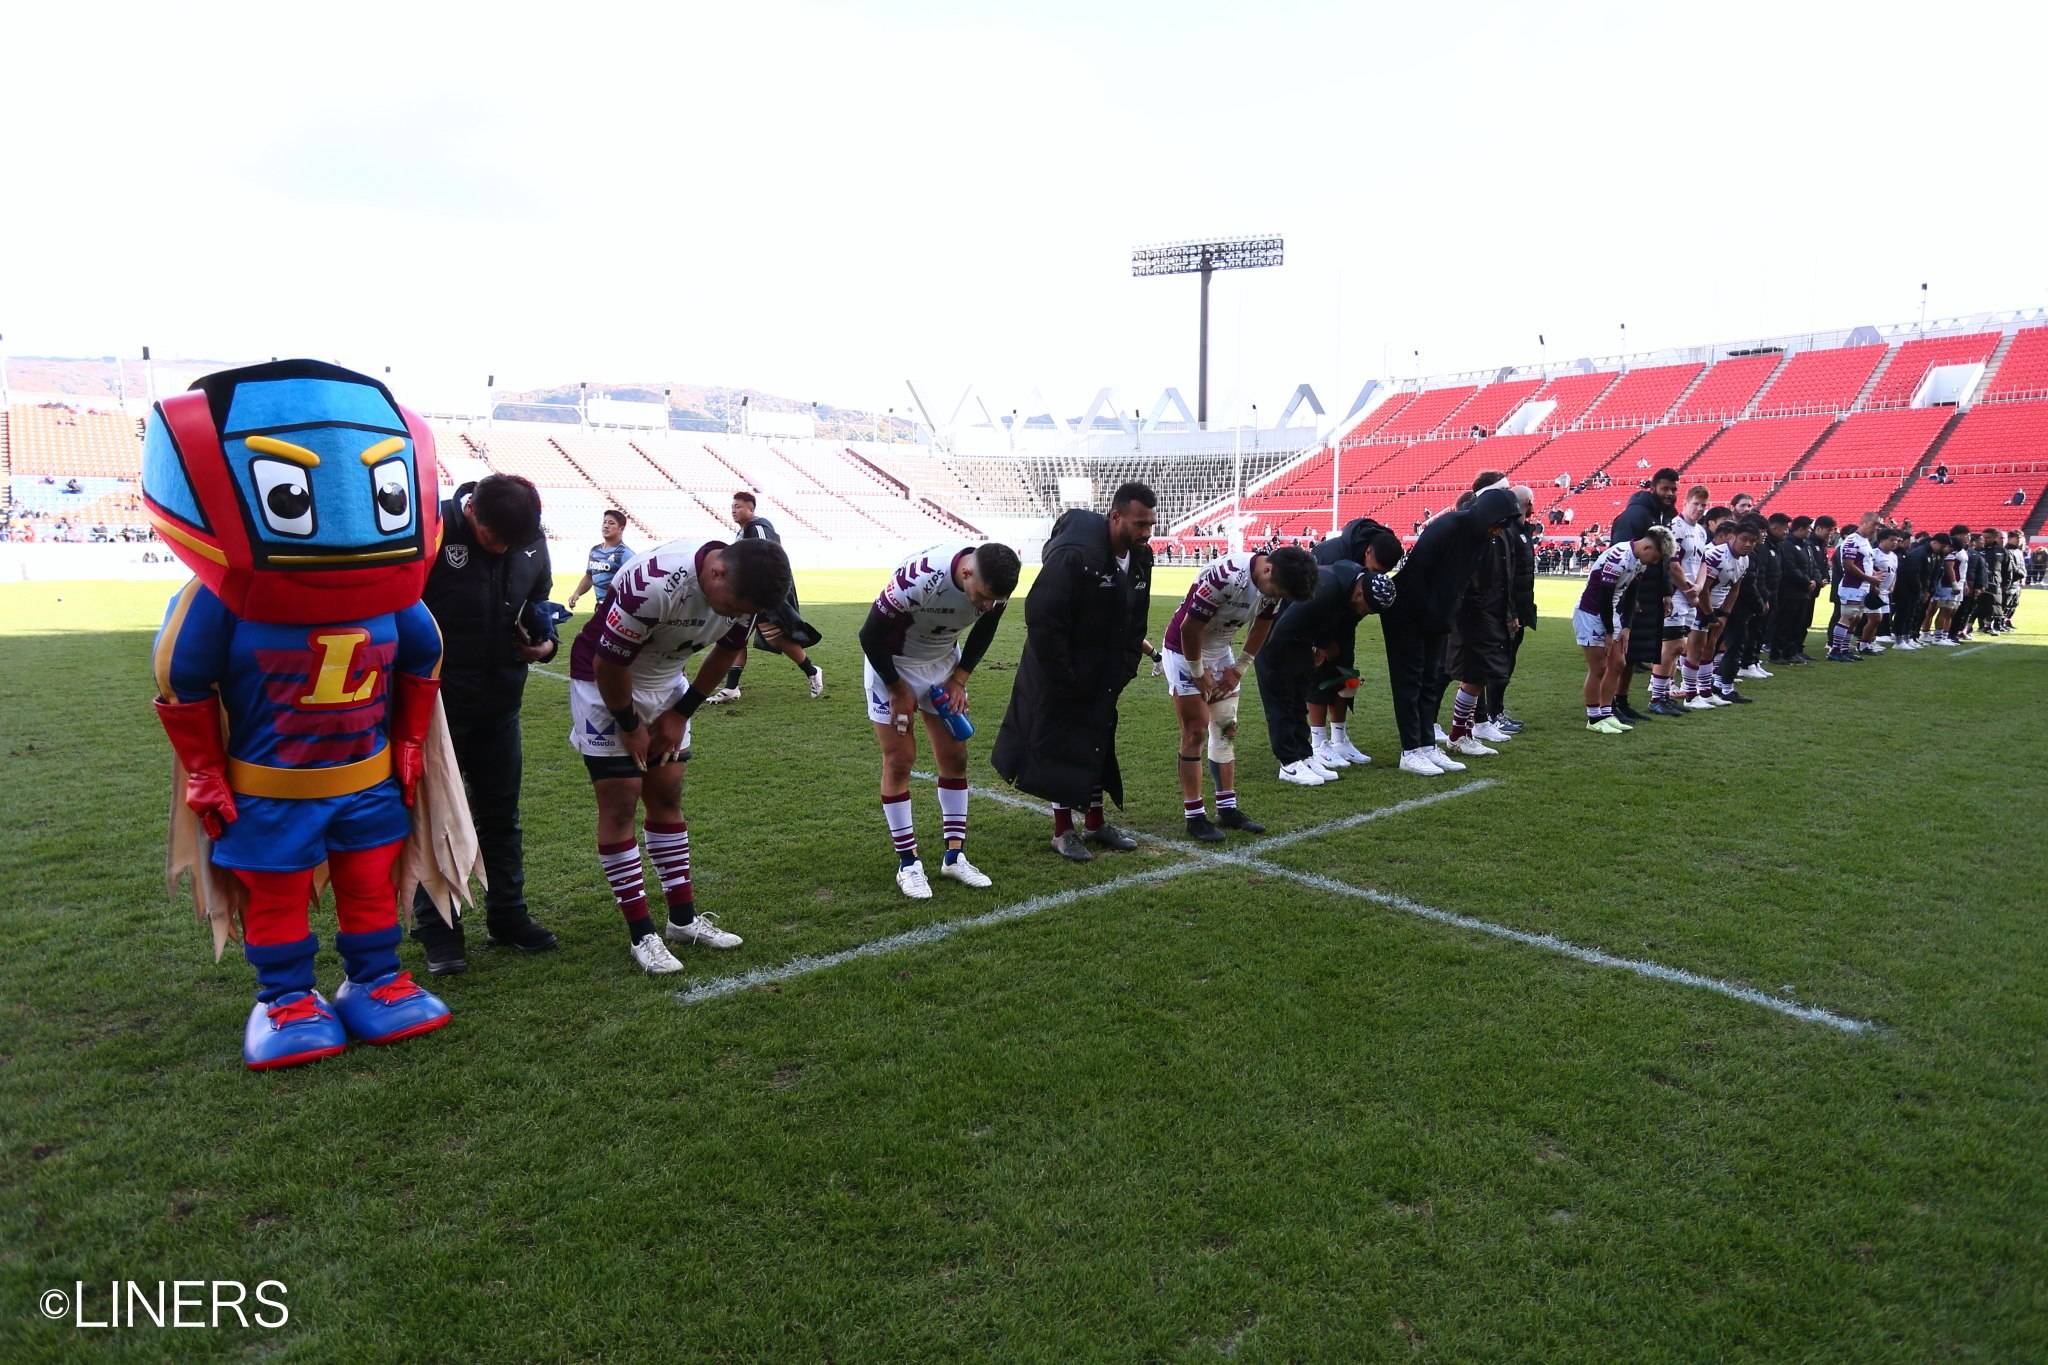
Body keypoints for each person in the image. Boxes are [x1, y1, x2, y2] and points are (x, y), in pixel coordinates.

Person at [144, 359, 474, 1068]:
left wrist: (410, 741)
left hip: (366, 778)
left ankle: (375, 979)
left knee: (371, 883)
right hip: (269, 787)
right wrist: (203, 770)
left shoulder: (390, 597)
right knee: (275, 894)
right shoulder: (219, 602)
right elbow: (181, 676)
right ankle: (286, 997)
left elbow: (424, 656)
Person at [567, 534, 794, 973]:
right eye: (733, 605)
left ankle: (683, 921)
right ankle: (641, 933)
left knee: (667, 793)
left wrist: (681, 712)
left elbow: (726, 653)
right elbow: (607, 664)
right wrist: (629, 725)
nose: (734, 615)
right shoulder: (654, 583)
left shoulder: (745, 593)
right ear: (716, 572)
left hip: (667, 680)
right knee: (620, 800)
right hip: (604, 684)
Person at [410, 473, 562, 974]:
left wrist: (546, 644)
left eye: (513, 543)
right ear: (471, 508)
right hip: (436, 709)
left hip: (501, 702)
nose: (502, 549)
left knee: (501, 815)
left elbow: (537, 605)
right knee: (436, 819)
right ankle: (440, 931)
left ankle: (508, 916)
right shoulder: (428, 529)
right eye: (494, 538)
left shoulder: (528, 539)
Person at [992, 483, 1156, 863]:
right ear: (1115, 517)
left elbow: (1137, 619)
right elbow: (1042, 617)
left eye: (1150, 523)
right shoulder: (1075, 556)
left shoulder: (1141, 558)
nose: (1146, 532)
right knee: (1061, 744)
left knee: (1098, 740)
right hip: (1062, 668)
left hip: (1105, 669)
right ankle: (1062, 830)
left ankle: (1095, 822)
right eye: (1139, 523)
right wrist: (1064, 676)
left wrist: (1125, 666)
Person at [859, 541, 1020, 896]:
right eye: (983, 597)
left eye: (994, 599)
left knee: (955, 757)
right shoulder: (919, 579)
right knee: (900, 760)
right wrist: (897, 689)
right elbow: (869, 636)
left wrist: (959, 679)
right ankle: (908, 864)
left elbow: (986, 628)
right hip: (893, 665)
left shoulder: (997, 582)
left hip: (942, 664)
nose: (987, 605)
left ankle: (954, 857)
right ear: (966, 572)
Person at [1163, 545, 1318, 833]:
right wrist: (1197, 672)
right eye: (1278, 591)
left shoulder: (1274, 583)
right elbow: (1189, 628)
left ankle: (1227, 809)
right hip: (1184, 651)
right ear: (1268, 569)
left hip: (1220, 650)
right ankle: (1194, 815)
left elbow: (1262, 625)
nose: (1276, 597)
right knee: (1196, 731)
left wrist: (1239, 668)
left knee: (1226, 729)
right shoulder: (1228, 577)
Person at [1379, 484, 1523, 775]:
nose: (1499, 531)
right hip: (1409, 612)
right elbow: (1420, 575)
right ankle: (1410, 751)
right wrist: (1434, 615)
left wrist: (1444, 617)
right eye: (1499, 523)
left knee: (1430, 680)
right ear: (1489, 515)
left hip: (1438, 615)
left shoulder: (1480, 538)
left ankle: (1427, 746)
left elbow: (1458, 583)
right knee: (1410, 683)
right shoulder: (1448, 527)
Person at [1256, 559, 1396, 785]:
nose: (1364, 613)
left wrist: (1320, 646)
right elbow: (1284, 629)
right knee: (1282, 701)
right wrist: (1282, 666)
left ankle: (1304, 755)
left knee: (1299, 700)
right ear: (1360, 593)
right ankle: (1289, 763)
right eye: (1367, 609)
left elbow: (1329, 619)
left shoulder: (1351, 583)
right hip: (1273, 637)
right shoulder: (1325, 590)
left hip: (1300, 639)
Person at [1311, 516, 1406, 769]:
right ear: (1367, 552)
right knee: (1318, 676)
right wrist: (1323, 641)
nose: (1375, 577)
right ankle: (1318, 742)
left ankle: (1339, 739)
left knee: (1346, 675)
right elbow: (1315, 602)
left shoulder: (1381, 549)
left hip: (1345, 620)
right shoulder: (1332, 555)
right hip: (1316, 620)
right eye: (1374, 570)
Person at [710, 491, 824, 702]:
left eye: (738, 506)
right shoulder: (744, 531)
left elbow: (768, 556)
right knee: (736, 636)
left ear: (751, 509)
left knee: (775, 637)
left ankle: (812, 671)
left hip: (762, 594)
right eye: (732, 506)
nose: (733, 510)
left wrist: (765, 594)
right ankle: (732, 687)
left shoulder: (758, 527)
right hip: (748, 595)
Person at [1443, 475, 1521, 756]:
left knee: (1478, 675)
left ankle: (1462, 731)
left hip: (1489, 610)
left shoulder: (1496, 532)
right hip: (1474, 613)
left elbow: (1504, 576)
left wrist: (1508, 610)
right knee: (1471, 674)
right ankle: (1456, 733)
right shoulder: (1471, 532)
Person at [1573, 526, 1674, 733]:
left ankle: (1606, 712)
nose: (1654, 563)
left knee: (1618, 663)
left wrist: (1626, 626)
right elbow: (1603, 597)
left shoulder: (1639, 561)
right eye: (1656, 558)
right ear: (1647, 548)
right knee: (1599, 668)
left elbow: (1631, 594)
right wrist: (1609, 632)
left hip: (1612, 612)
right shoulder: (1618, 557)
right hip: (1592, 613)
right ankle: (1594, 718)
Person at [1605, 468, 1679, 723]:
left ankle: (1621, 701)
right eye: (1665, 488)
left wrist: (1667, 591)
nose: (1670, 493)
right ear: (1653, 487)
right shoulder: (1635, 515)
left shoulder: (1662, 516)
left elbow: (1665, 558)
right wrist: (1629, 596)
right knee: (1621, 653)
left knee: (1634, 653)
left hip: (1652, 593)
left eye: (1673, 489)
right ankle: (1608, 704)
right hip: (1633, 594)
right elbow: (1620, 555)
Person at [1650, 484, 1709, 715]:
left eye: (1703, 505)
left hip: (1690, 593)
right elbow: (1672, 564)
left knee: (1679, 646)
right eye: (1696, 504)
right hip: (1676, 594)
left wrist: (1699, 587)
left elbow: (1703, 562)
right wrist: (1688, 590)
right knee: (1670, 645)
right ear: (1685, 503)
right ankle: (1657, 697)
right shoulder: (1676, 527)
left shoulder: (1701, 531)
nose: (1700, 509)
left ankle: (1664, 694)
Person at [1491, 498, 1539, 734]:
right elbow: (1507, 576)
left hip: (1519, 607)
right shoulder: (1510, 532)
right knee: (1500, 663)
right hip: (1510, 610)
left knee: (1507, 663)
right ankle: (1492, 714)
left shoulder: (1520, 531)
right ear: (1527, 504)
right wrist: (1512, 612)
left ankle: (1495, 711)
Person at [565, 508, 632, 615]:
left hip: (617, 608)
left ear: (621, 528)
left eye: (611, 523)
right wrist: (577, 593)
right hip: (600, 606)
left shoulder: (625, 554)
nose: (606, 526)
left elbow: (634, 582)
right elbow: (589, 576)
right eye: (604, 522)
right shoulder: (595, 551)